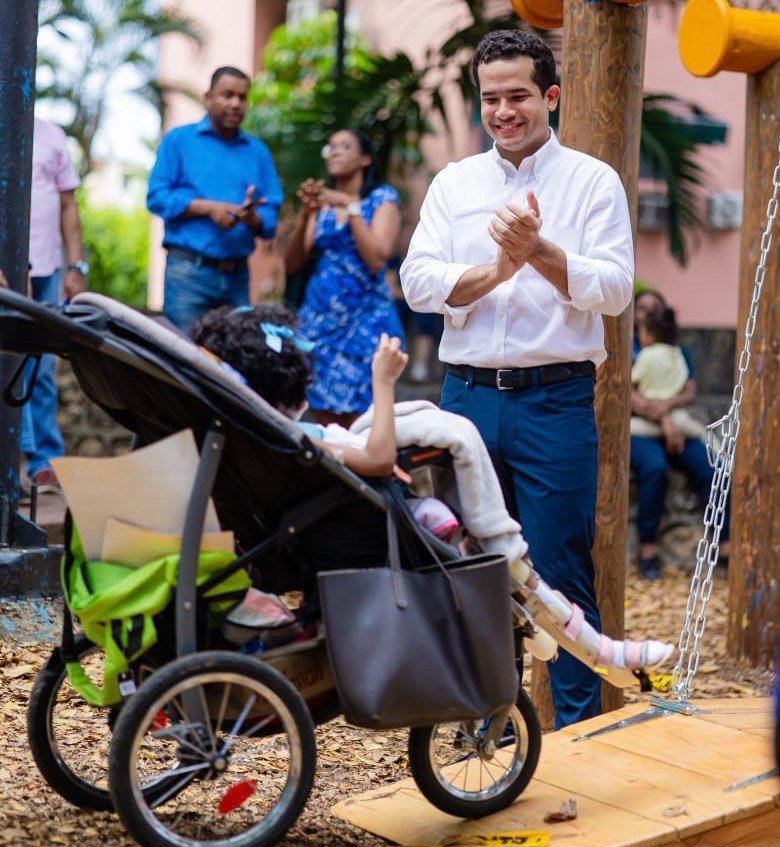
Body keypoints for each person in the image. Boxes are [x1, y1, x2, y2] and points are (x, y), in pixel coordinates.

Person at [192, 305, 674, 685]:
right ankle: (599, 651)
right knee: (512, 570)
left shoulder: (262, 441)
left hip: (346, 527)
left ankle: (576, 640)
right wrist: (383, 384)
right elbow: (378, 457)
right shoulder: (298, 440)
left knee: (511, 574)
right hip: (369, 537)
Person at [400, 30, 635, 728]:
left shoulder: (593, 181)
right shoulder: (454, 183)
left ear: (550, 96)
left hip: (555, 400)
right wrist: (496, 271)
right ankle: (489, 732)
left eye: (519, 96)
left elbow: (615, 289)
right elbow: (418, 282)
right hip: (465, 399)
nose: (503, 111)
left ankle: (581, 735)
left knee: (560, 571)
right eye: (491, 98)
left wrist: (538, 252)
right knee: (470, 569)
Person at [147, 66, 283, 333]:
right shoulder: (179, 141)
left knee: (236, 353)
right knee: (182, 351)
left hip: (237, 276)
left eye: (242, 97)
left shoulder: (257, 151)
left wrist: (252, 218)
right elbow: (157, 197)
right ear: (208, 97)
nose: (235, 104)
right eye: (227, 95)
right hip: (188, 273)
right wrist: (207, 208)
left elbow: (271, 217)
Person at [284, 128, 404, 428]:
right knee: (324, 414)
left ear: (365, 159)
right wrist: (305, 214)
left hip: (365, 322)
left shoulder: (382, 199)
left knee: (363, 420)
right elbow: (292, 263)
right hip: (319, 322)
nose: (335, 152)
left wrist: (350, 206)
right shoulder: (323, 206)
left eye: (345, 146)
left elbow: (377, 259)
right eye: (331, 147)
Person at [630, 290, 730, 581]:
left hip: (675, 426)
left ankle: (725, 545)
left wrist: (666, 410)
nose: (647, 314)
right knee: (654, 469)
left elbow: (689, 391)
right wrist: (665, 419)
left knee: (714, 469)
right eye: (642, 308)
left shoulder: (677, 351)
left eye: (654, 308)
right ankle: (647, 549)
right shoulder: (629, 349)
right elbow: (626, 391)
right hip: (643, 428)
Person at [23, 117, 88, 494]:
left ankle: (43, 463)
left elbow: (67, 204)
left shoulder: (51, 134)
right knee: (7, 366)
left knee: (41, 368)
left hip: (47, 269)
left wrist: (75, 266)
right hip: (7, 272)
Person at [631, 305, 708, 443]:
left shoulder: (646, 354)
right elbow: (686, 385)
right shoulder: (678, 354)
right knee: (704, 435)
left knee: (629, 428)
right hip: (678, 417)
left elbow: (631, 383)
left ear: (650, 334)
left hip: (648, 415)